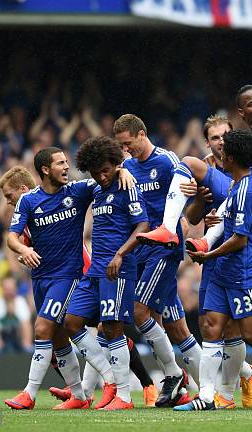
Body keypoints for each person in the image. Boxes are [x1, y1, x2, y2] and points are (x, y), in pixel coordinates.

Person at [135, 5, 252, 248]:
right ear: (241, 112)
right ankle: (169, 229)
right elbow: (224, 174)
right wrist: (200, 188)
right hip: (240, 192)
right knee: (191, 163)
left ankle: (204, 239)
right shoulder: (238, 141)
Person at [0, 165, 158, 407]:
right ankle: (81, 393)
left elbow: (101, 180)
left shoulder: (65, 196)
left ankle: (138, 384)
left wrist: (122, 170)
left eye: (9, 195)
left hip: (79, 274)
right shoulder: (30, 213)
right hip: (50, 278)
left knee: (102, 327)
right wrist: (26, 252)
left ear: (23, 189)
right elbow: (31, 244)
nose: (8, 202)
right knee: (64, 331)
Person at [174, 130, 252, 411]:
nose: (221, 154)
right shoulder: (237, 185)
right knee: (210, 326)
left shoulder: (246, 189)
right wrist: (207, 236)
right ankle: (207, 397)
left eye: (224, 151)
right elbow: (224, 223)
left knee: (251, 333)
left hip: (244, 271)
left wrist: (209, 254)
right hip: (224, 271)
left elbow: (239, 239)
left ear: (229, 157)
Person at [63, 136, 149, 410]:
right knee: (72, 321)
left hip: (118, 269)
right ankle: (110, 378)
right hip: (95, 271)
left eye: (106, 169)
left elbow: (143, 226)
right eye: (96, 171)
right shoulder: (96, 189)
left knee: (112, 328)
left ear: (115, 163)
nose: (102, 176)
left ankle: (124, 396)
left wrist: (121, 254)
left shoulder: (128, 185)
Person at [113, 114, 192, 407]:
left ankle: (174, 375)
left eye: (128, 143)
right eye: (121, 145)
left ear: (142, 134)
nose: (126, 149)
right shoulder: (129, 166)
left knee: (139, 312)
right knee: (165, 324)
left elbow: (189, 194)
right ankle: (182, 389)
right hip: (141, 249)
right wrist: (122, 168)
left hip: (164, 249)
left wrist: (188, 218)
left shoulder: (167, 161)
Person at [182, 115, 252, 408]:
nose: (221, 141)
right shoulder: (203, 172)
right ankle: (244, 373)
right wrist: (201, 201)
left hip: (237, 255)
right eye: (215, 137)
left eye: (225, 135)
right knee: (210, 324)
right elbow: (191, 219)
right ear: (208, 142)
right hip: (211, 257)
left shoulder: (241, 170)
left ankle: (225, 392)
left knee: (236, 329)